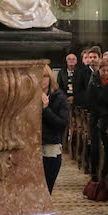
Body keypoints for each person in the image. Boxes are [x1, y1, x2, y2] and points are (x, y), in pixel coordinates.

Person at [40, 64, 69, 194]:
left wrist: (46, 109)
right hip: (31, 146)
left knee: (47, 189)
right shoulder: (27, 96)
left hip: (50, 145)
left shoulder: (59, 97)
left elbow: (61, 124)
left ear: (50, 78)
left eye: (45, 77)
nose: (42, 80)